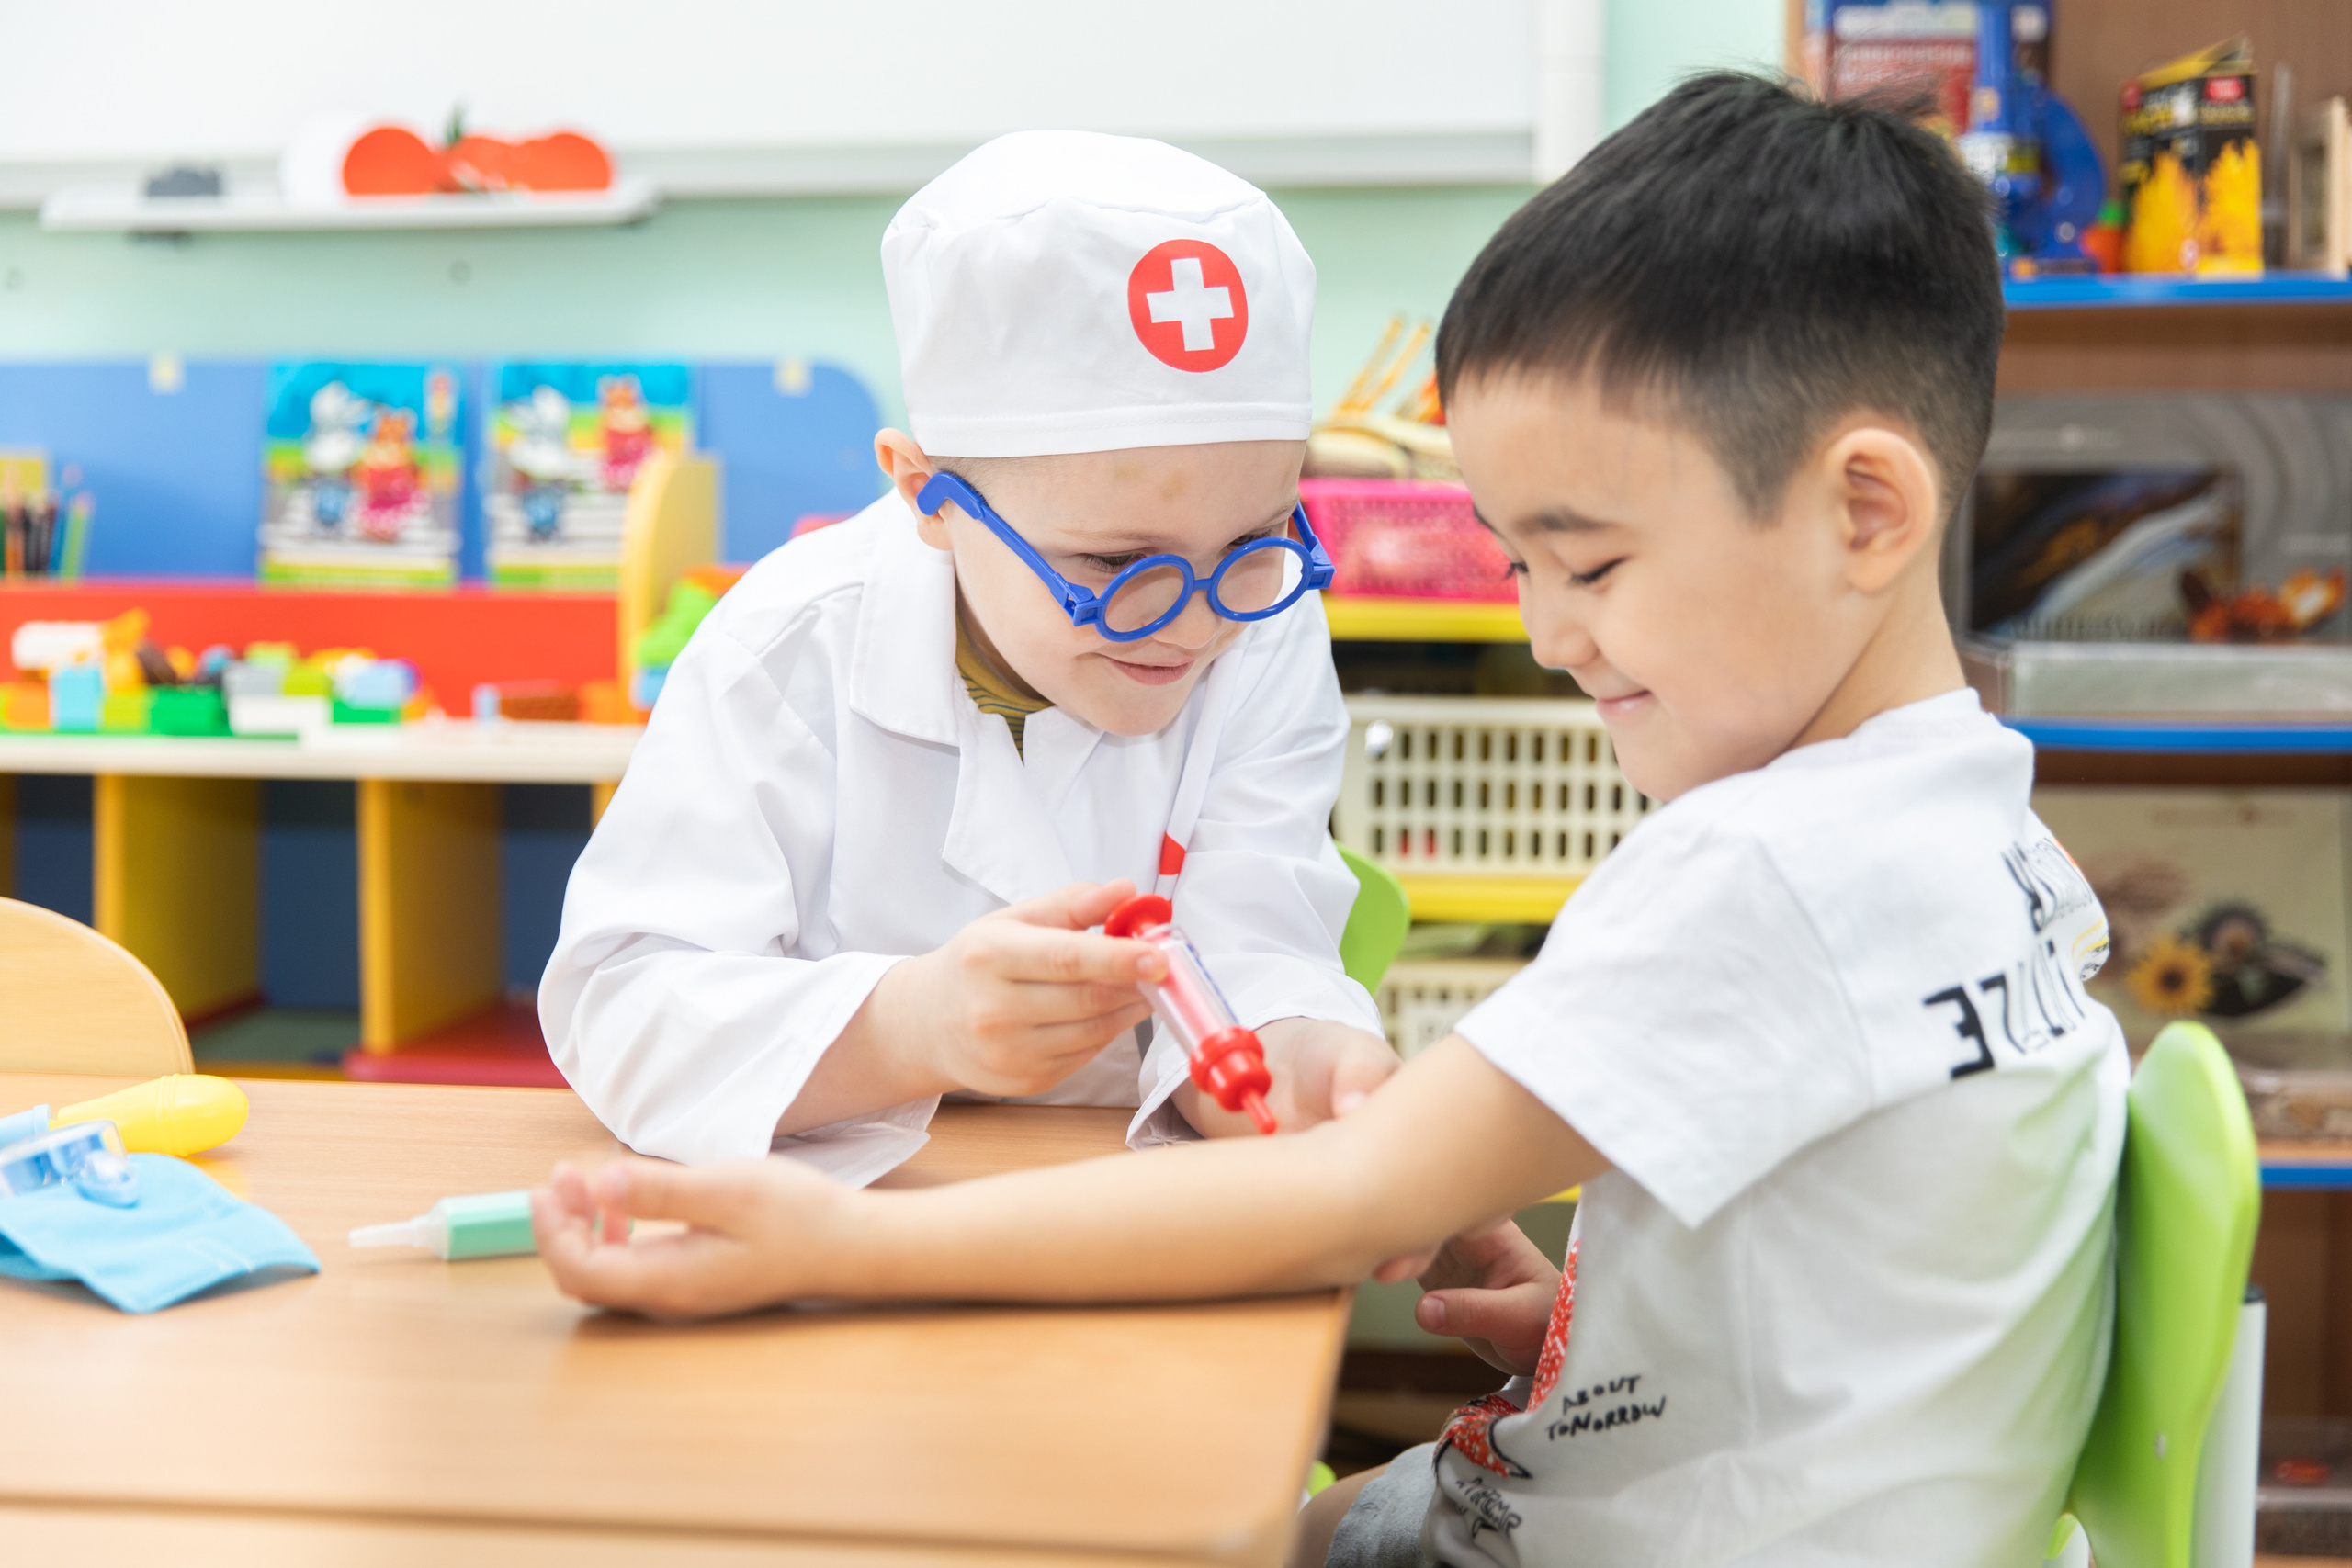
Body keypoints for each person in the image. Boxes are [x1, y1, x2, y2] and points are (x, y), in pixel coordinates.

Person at [533, 75, 2129, 1567]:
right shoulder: (2010, 843)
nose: (1552, 639)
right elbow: (1881, 1243)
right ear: (924, 491)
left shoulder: (1753, 862)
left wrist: (831, 1243)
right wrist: (1632, 1326)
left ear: (1867, 509)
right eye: (1522, 569)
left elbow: (1310, 1082)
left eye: (1588, 565)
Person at [540, 130, 1399, 1185]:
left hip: (1120, 1214)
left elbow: (1257, 955)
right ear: (926, 496)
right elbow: (622, 1008)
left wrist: (1321, 1074)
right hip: (832, 1229)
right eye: (1117, 561)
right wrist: (909, 1029)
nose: (1195, 620)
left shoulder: (1262, 624)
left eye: (1257, 541)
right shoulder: (789, 649)